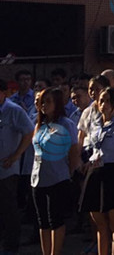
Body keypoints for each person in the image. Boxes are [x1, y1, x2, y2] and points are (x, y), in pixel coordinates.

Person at [81, 88, 114, 255]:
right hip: (96, 172)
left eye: (106, 101)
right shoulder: (96, 125)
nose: (102, 104)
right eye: (100, 100)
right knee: (100, 223)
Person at [31, 87, 81, 255]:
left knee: (55, 219)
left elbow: (74, 151)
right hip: (38, 178)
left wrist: (69, 172)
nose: (44, 105)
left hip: (57, 178)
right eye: (42, 102)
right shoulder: (40, 124)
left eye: (48, 102)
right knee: (42, 221)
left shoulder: (65, 124)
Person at [0, 77, 34, 255]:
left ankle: (11, 246)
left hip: (7, 169)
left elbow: (29, 132)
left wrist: (15, 156)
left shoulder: (14, 110)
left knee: (9, 209)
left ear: (4, 93)